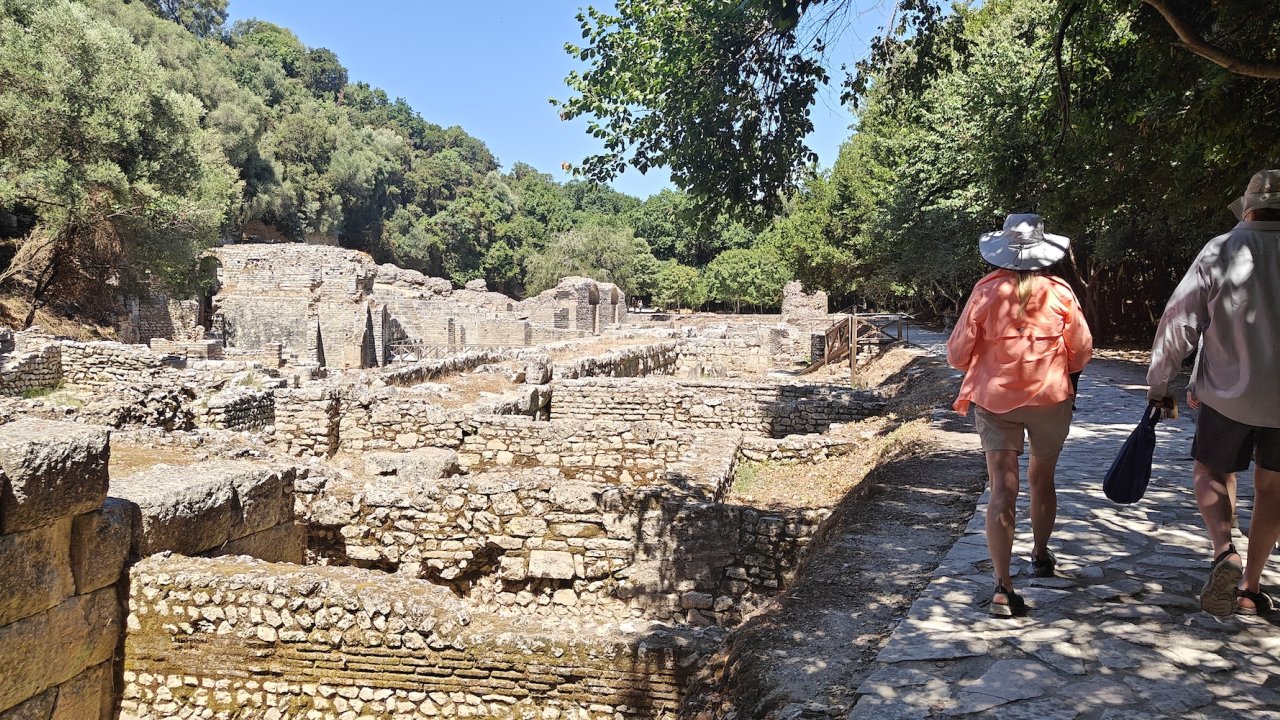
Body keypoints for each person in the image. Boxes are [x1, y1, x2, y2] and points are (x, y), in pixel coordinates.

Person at [1147, 168, 1280, 617]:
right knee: (1274, 489)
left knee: (1208, 470)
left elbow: (1178, 323)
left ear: (1247, 207)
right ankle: (1249, 588)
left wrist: (1159, 385)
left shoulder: (1221, 249)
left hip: (1226, 395)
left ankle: (1225, 550)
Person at [947, 214, 1093, 617]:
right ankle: (1041, 556)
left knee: (1001, 489)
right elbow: (1081, 351)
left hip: (995, 402)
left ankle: (1002, 586)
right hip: (1050, 398)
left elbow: (958, 355)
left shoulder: (985, 292)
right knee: (1042, 479)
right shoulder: (1061, 292)